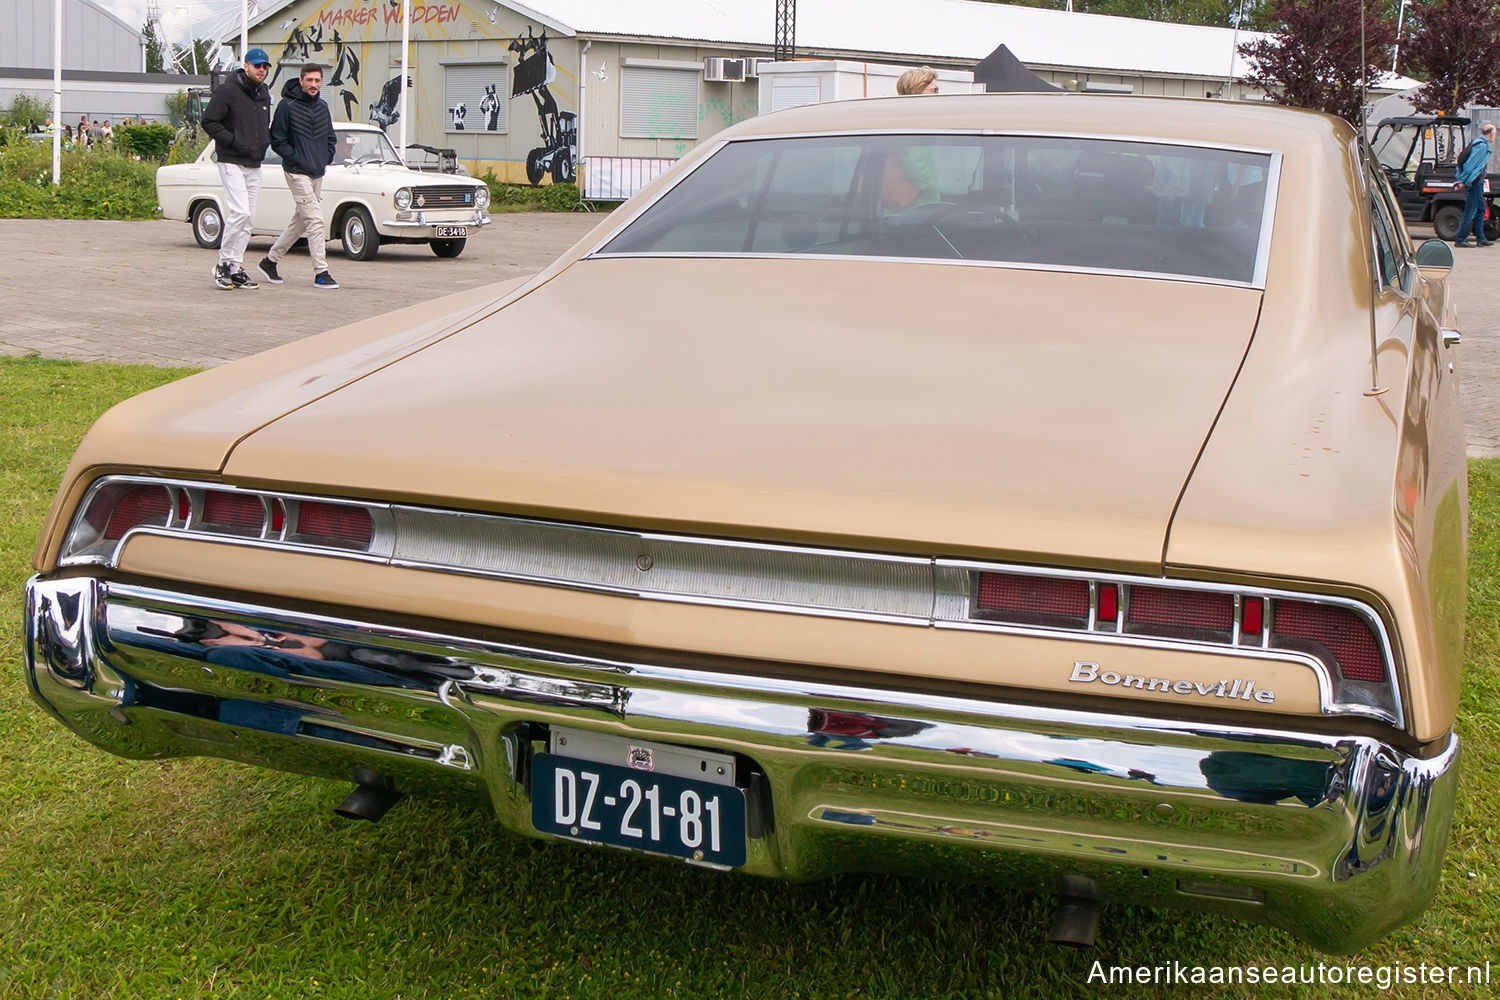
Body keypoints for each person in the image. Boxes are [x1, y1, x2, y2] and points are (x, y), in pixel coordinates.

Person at [260, 63, 339, 289]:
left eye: (317, 80)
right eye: (309, 80)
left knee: (301, 221)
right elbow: (277, 140)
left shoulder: (323, 107)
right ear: (301, 80)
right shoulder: (286, 106)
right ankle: (321, 272)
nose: (313, 84)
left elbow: (330, 137)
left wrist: (327, 156)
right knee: (315, 220)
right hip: (296, 172)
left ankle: (270, 261)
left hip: (317, 171)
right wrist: (295, 159)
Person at [201, 46, 274, 289]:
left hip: (254, 162)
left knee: (249, 219)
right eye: (257, 65)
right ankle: (222, 263)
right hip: (231, 160)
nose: (261, 70)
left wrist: (264, 142)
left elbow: (263, 125)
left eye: (265, 66)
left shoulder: (263, 93)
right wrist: (232, 140)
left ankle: (235, 267)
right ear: (246, 66)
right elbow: (209, 121)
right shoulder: (228, 91)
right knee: (239, 212)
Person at [1454, 122, 1496, 248]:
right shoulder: (1481, 146)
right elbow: (1470, 165)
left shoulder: (1478, 142)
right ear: (1491, 133)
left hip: (1477, 181)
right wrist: (1461, 180)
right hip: (1475, 181)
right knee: (1471, 210)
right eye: (1495, 133)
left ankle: (1480, 238)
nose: (1495, 136)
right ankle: (1460, 239)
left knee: (1481, 209)